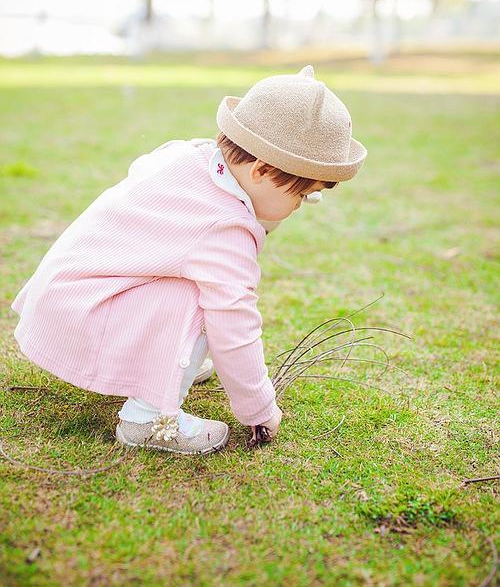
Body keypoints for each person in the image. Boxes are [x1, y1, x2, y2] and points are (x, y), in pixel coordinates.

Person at [10, 65, 367, 455]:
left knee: (184, 277)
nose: (303, 205)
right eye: (303, 193)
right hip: (84, 323)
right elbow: (235, 325)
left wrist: (280, 199)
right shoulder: (223, 228)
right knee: (203, 297)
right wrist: (259, 407)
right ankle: (149, 420)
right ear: (262, 170)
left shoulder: (191, 155)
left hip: (61, 307)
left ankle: (163, 364)